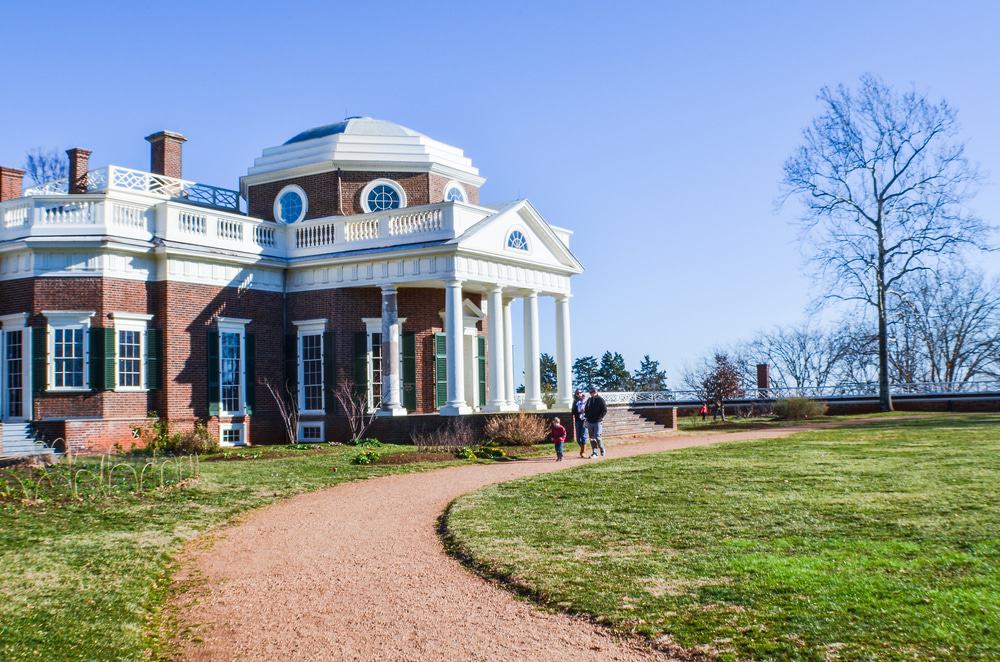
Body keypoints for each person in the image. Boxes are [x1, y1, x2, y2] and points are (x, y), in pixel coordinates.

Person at [583, 387, 607, 458]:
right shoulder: (589, 400)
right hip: (590, 421)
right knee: (592, 438)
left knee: (597, 436)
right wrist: (586, 417)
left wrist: (600, 417)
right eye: (590, 392)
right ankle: (595, 452)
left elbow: (604, 410)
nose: (592, 393)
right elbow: (586, 409)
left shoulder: (600, 399)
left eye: (593, 392)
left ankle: (602, 448)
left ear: (596, 392)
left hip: (597, 421)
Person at [573, 389, 589, 457]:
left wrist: (585, 411)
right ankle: (583, 448)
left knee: (583, 435)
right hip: (578, 420)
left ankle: (583, 452)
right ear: (576, 395)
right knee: (578, 438)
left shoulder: (586, 401)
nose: (579, 394)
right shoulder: (575, 402)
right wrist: (579, 412)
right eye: (577, 393)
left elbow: (590, 409)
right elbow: (573, 412)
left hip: (585, 420)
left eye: (580, 392)